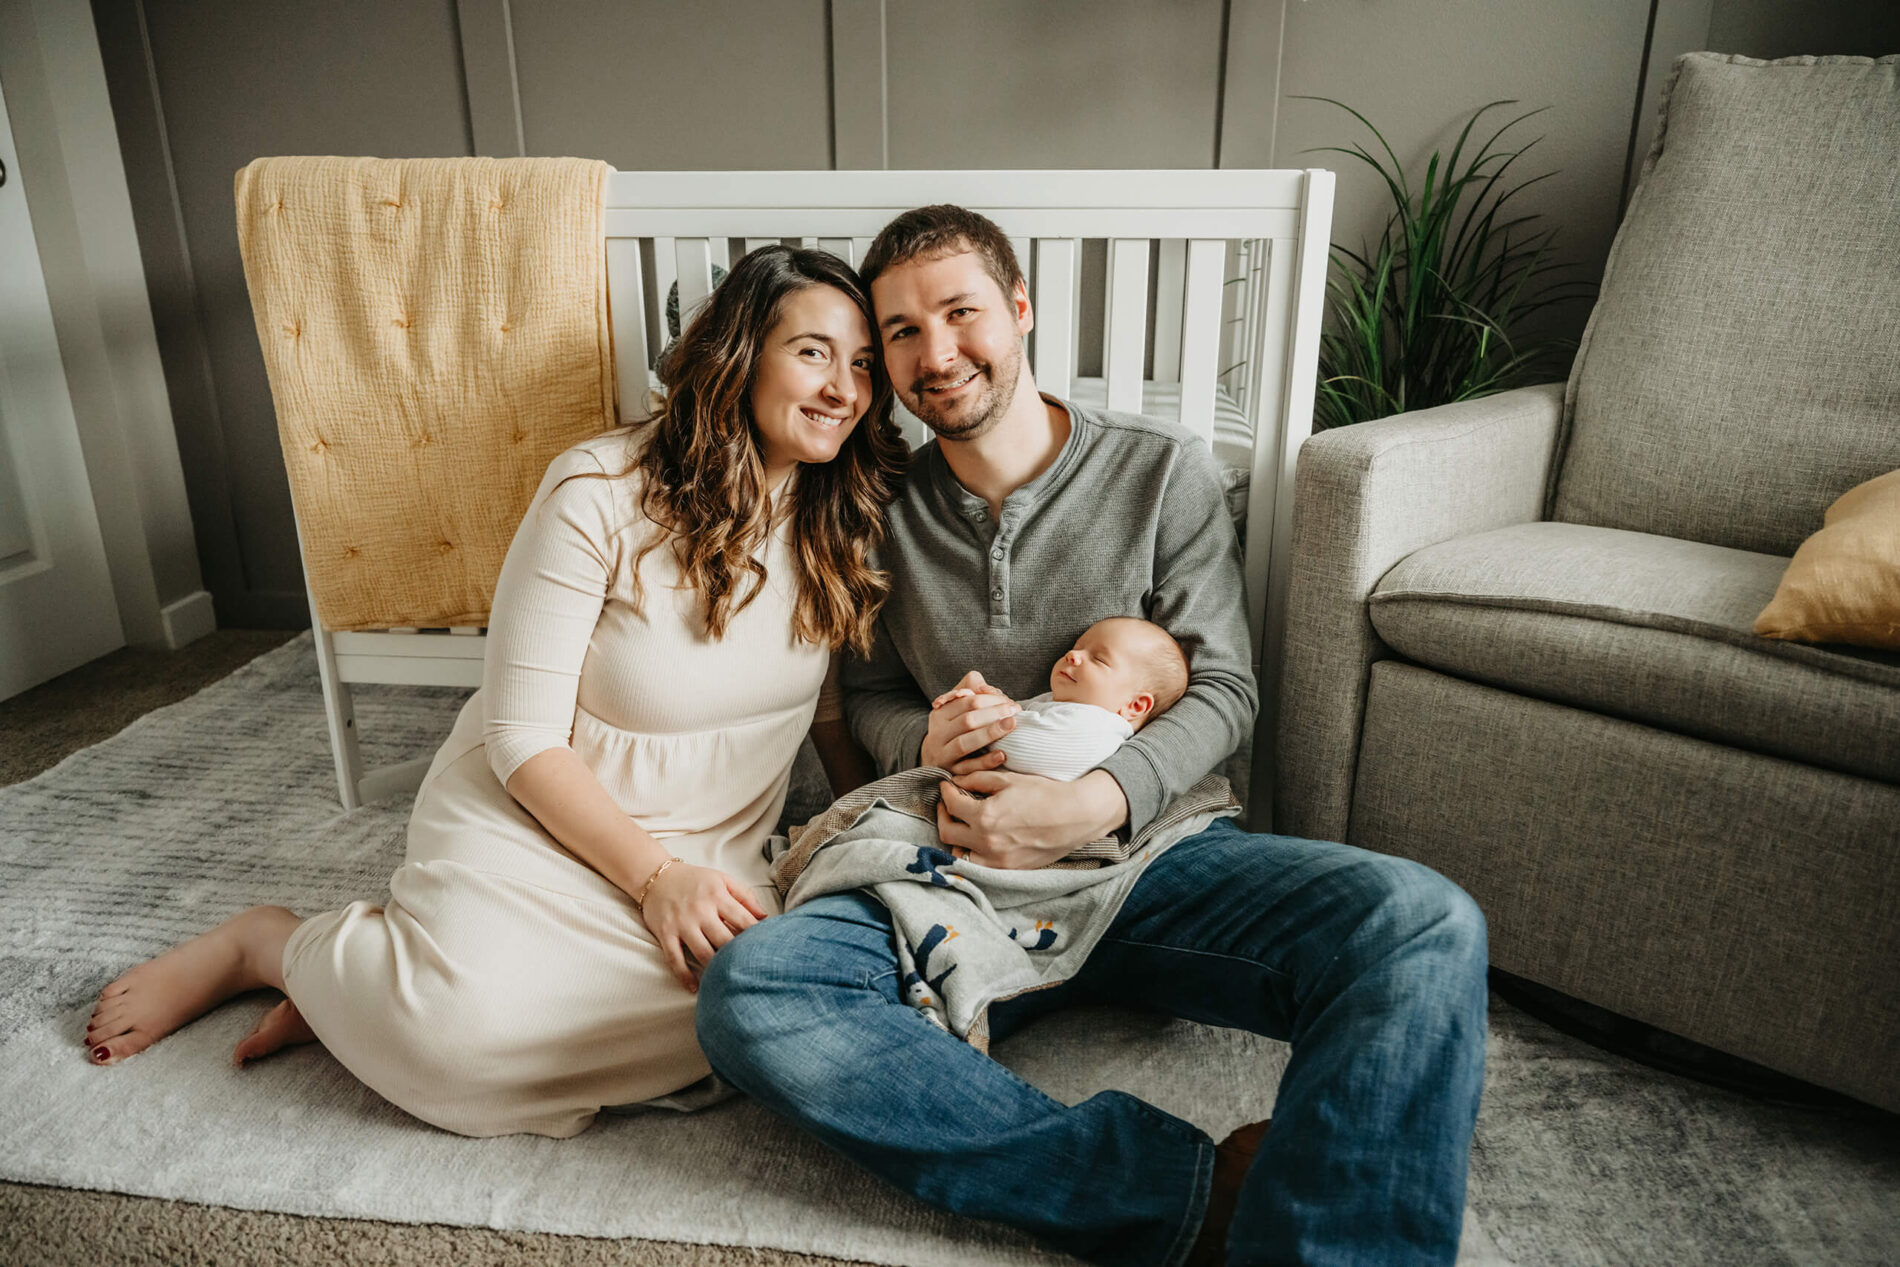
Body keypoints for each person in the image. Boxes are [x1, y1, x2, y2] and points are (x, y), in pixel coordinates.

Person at [694, 208, 1489, 1266]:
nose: (934, 354)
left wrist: (1094, 800)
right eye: (899, 332)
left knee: (1420, 920)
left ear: (1019, 312)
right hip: (946, 869)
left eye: (960, 313)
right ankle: (1187, 1195)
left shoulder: (1162, 470)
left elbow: (1224, 685)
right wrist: (923, 740)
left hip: (1151, 860)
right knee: (756, 988)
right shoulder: (876, 509)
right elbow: (871, 695)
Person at [82, 245, 908, 1139]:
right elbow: (521, 738)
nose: (845, 389)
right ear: (741, 355)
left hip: (707, 845)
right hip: (543, 819)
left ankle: (354, 1008)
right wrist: (656, 880)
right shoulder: (598, 491)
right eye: (814, 352)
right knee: (458, 1034)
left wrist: (861, 828)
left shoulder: (840, 513)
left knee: (752, 1019)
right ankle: (275, 946)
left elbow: (821, 708)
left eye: (863, 364)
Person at [937, 616, 1189, 783]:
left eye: (1099, 659)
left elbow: (1024, 745)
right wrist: (982, 700)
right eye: (1077, 647)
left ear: (1135, 706)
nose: (1072, 654)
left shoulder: (1097, 725)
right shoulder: (1058, 702)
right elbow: (1019, 712)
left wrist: (978, 717)